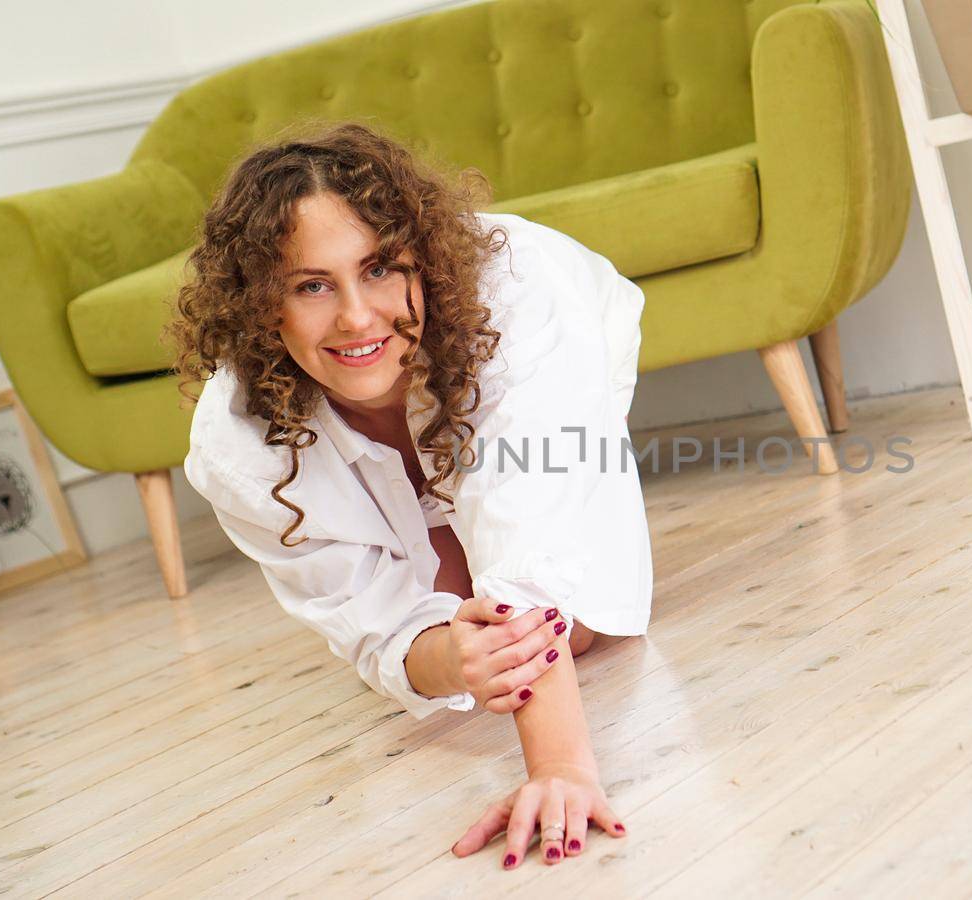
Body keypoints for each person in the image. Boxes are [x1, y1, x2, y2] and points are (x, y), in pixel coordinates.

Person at [167, 121, 652, 871]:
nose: (357, 318)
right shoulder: (236, 448)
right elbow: (378, 630)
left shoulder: (520, 298)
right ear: (263, 307)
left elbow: (526, 529)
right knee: (466, 637)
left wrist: (560, 767)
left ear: (423, 264)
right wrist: (459, 662)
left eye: (382, 269)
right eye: (311, 286)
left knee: (578, 619)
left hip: (561, 353)